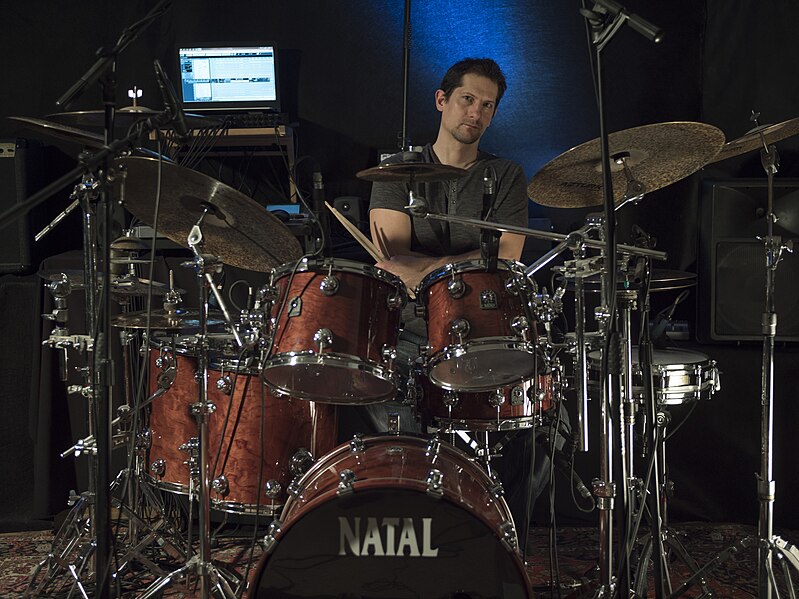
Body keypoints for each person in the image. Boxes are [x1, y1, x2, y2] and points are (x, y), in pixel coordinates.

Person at [366, 58, 568, 530]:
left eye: (487, 105)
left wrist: (426, 265)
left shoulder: (506, 175)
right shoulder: (397, 173)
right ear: (442, 101)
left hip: (486, 326)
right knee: (378, 392)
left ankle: (503, 536)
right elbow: (391, 261)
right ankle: (418, 533)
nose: (475, 112)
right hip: (413, 329)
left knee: (545, 417)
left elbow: (509, 258)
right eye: (467, 99)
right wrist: (465, 259)